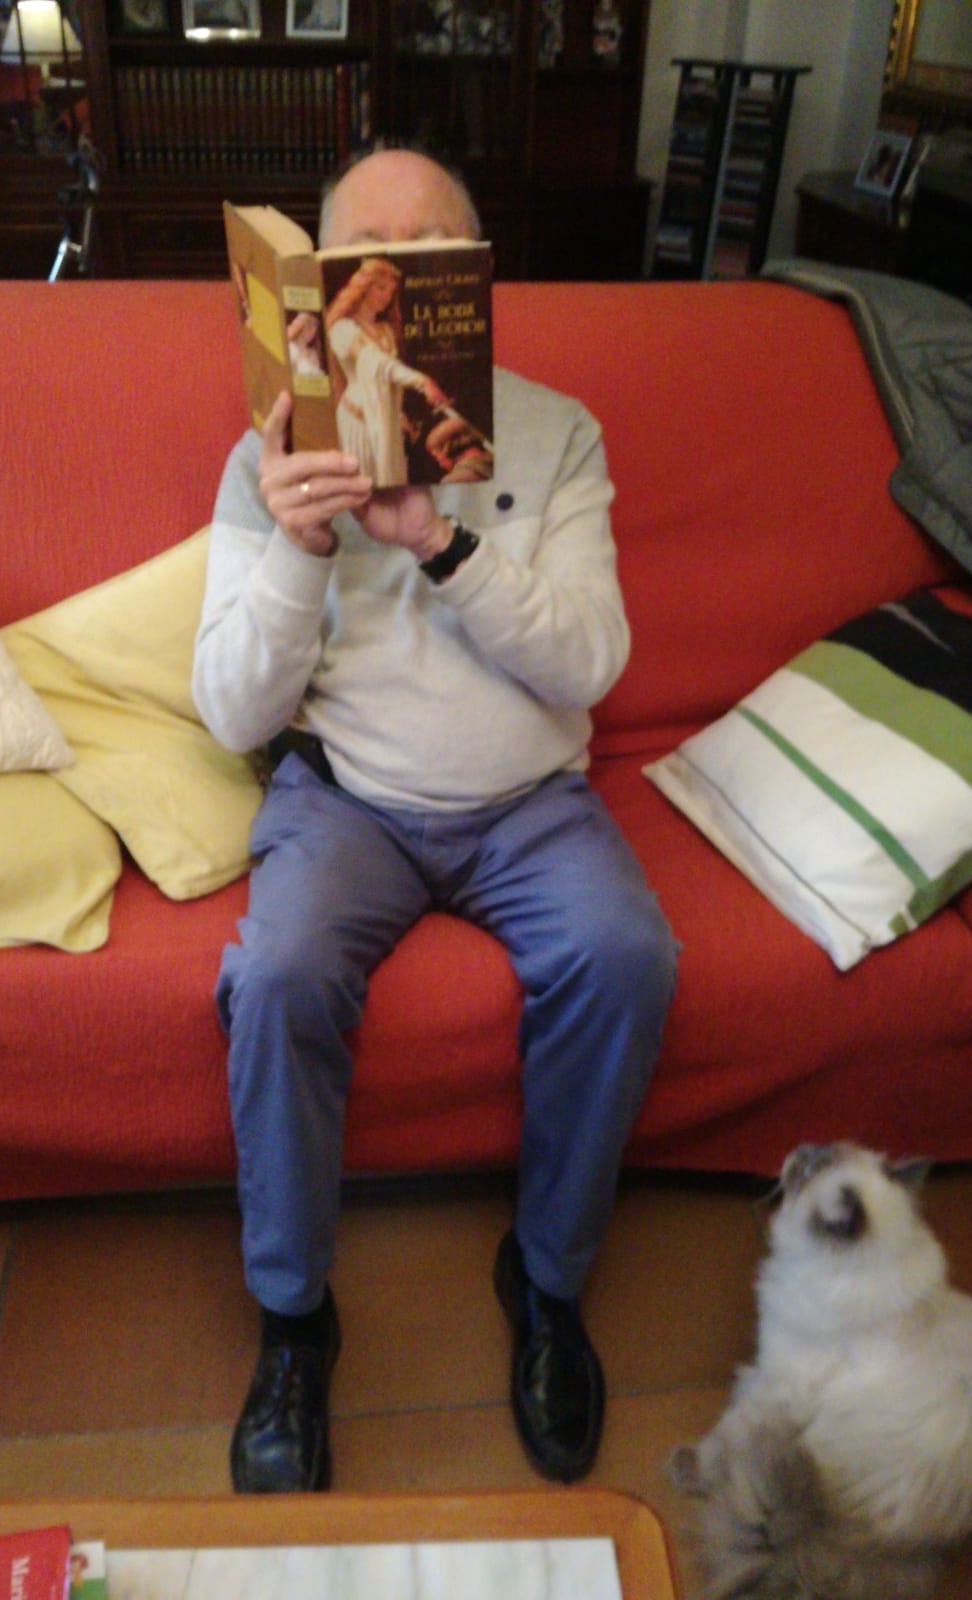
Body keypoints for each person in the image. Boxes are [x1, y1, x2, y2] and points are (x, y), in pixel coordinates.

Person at [192, 145, 677, 1495]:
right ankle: (294, 1317)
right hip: (349, 798)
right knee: (277, 975)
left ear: (473, 280)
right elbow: (231, 712)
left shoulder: (559, 431)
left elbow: (590, 663)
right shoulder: (265, 455)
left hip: (531, 801)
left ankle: (547, 1283)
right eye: (364, 257)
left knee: (628, 953)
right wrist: (300, 550)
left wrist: (440, 543)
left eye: (424, 253)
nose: (391, 286)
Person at [323, 254, 448, 483]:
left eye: (391, 292)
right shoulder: (342, 328)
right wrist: (422, 381)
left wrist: (397, 414)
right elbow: (377, 363)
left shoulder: (386, 330)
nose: (386, 297)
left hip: (386, 423)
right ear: (363, 287)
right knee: (362, 483)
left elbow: (388, 380)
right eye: (380, 288)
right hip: (357, 421)